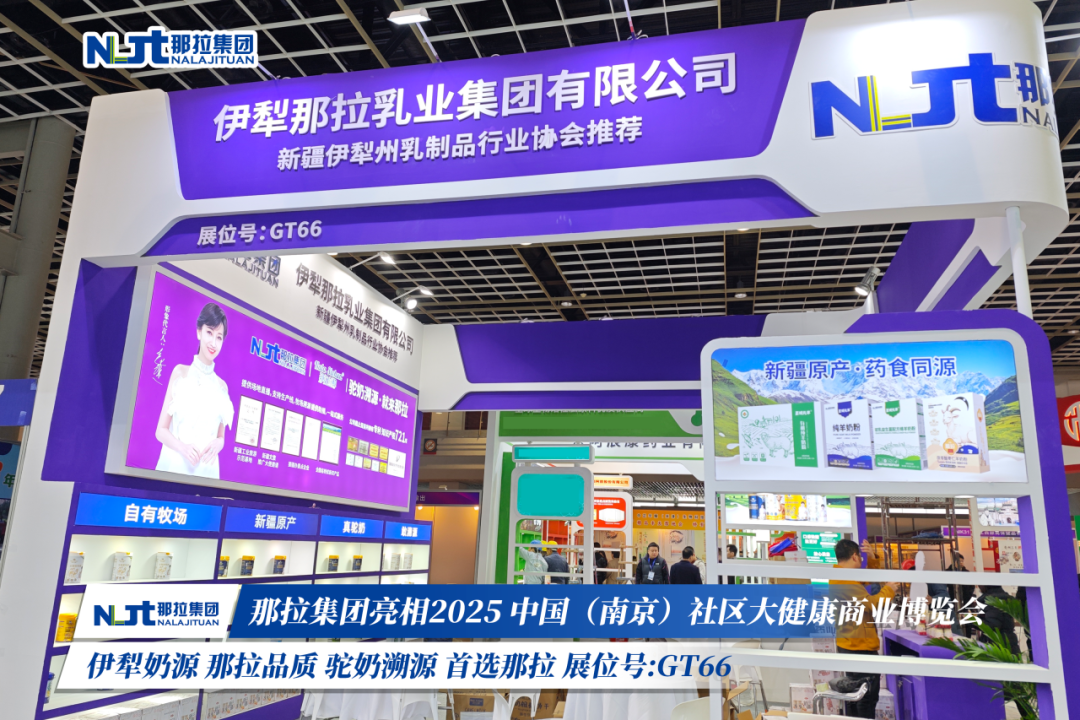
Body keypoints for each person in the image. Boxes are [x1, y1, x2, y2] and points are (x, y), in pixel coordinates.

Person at [155, 303, 234, 479]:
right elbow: (161, 430)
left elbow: (221, 436)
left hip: (208, 471)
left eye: (219, 337)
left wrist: (219, 444)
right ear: (199, 332)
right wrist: (182, 447)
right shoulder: (180, 373)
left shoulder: (222, 387)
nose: (213, 343)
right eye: (209, 332)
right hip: (177, 466)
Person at [829, 538, 899, 719]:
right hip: (859, 646)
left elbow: (867, 579)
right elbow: (871, 604)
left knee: (856, 695)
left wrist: (872, 559)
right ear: (854, 556)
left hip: (850, 644)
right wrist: (889, 589)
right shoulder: (845, 582)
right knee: (866, 697)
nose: (861, 561)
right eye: (860, 557)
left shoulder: (841, 577)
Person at [977, 585, 1021, 655]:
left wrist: (973, 621)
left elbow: (993, 626)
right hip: (1009, 642)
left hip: (997, 645)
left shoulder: (991, 601)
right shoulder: (1004, 598)